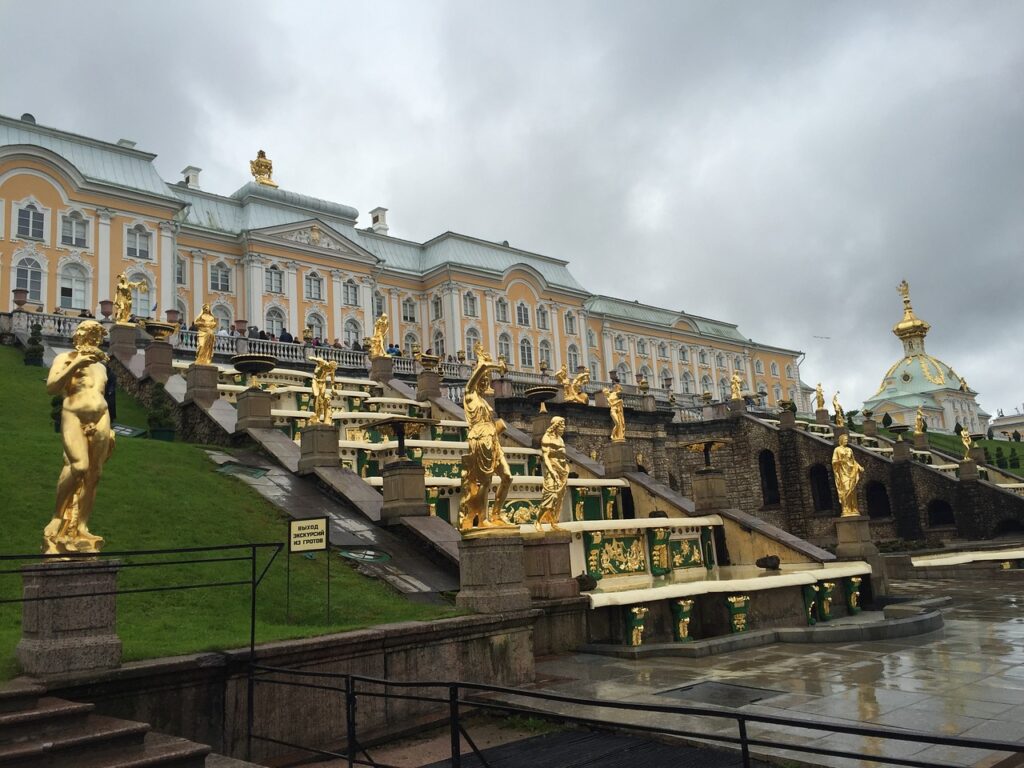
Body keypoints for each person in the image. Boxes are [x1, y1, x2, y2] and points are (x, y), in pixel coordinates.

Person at [44, 320, 115, 554]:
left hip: (102, 419)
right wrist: (76, 364)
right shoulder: (64, 358)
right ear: (79, 337)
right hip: (73, 415)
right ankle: (57, 517)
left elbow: (104, 395)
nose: (93, 341)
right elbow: (52, 387)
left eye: (97, 337)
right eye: (89, 336)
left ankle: (82, 526)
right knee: (79, 466)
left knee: (95, 474)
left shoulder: (102, 367)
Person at [458, 344, 514, 531]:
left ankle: (496, 514)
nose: (485, 382)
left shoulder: (482, 400)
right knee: (486, 481)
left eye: (487, 380)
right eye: (483, 380)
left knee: (507, 477)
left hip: (493, 439)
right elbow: (481, 368)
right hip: (480, 439)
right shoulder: (469, 394)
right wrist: (498, 367)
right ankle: (481, 517)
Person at [536, 417, 568, 530]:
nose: (564, 428)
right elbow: (545, 457)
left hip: (563, 470)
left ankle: (554, 521)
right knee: (551, 495)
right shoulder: (546, 438)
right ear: (555, 426)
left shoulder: (560, 439)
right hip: (551, 469)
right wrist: (552, 471)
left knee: (559, 498)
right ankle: (538, 521)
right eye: (562, 425)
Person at [832, 434, 863, 517]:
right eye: (845, 439)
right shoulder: (837, 449)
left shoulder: (849, 449)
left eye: (847, 439)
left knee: (853, 491)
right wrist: (841, 460)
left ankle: (854, 508)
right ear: (841, 440)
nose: (846, 441)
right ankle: (845, 508)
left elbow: (853, 460)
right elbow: (834, 462)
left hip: (851, 471)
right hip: (843, 472)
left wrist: (859, 467)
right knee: (846, 489)